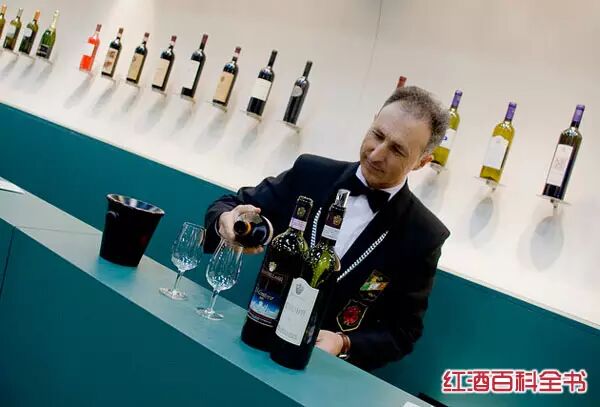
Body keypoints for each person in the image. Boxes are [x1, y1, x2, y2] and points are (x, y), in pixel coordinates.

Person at [204, 86, 451, 371]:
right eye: (377, 135)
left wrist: (344, 343)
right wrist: (225, 221)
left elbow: (403, 332)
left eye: (397, 149)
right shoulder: (310, 173)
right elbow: (230, 204)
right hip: (254, 342)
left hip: (320, 371)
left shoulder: (424, 234)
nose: (376, 154)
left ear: (422, 162)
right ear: (372, 121)